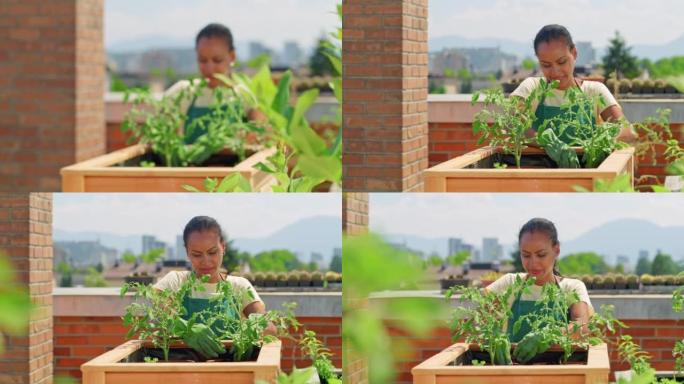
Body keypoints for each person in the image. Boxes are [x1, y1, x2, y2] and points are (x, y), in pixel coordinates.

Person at [153, 215, 275, 359]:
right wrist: (186, 329)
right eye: (197, 255)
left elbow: (269, 327)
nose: (206, 261)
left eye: (212, 252)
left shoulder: (239, 286)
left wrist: (254, 329)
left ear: (223, 247)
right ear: (187, 253)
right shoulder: (174, 282)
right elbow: (161, 319)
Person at [485, 218, 593, 363]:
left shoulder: (571, 287)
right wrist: (494, 335)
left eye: (541, 255)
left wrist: (547, 336)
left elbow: (582, 327)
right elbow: (483, 319)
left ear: (557, 250)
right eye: (526, 255)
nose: (533, 263)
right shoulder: (510, 283)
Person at [511, 24, 636, 144]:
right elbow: (513, 121)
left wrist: (599, 143)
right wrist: (547, 143)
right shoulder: (532, 87)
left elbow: (628, 132)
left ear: (574, 53)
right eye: (546, 65)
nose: (555, 72)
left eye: (561, 62)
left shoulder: (594, 91)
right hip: (540, 165)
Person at [164, 23, 264, 144]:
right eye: (202, 60)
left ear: (232, 56)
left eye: (217, 60)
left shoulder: (246, 95)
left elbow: (260, 133)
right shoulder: (183, 92)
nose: (209, 68)